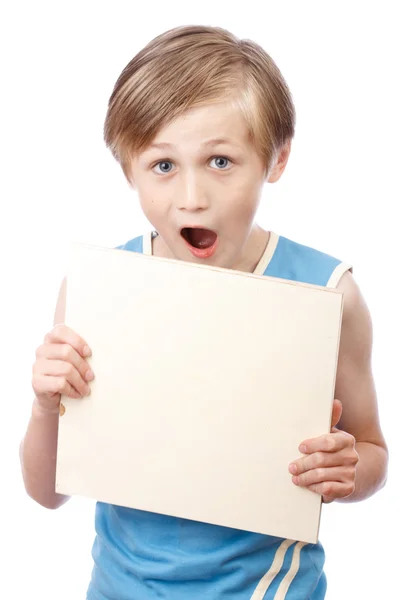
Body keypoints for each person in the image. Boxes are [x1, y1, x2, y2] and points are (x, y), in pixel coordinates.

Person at [20, 24, 388, 600]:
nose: (192, 197)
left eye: (220, 161)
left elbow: (371, 451)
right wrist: (45, 405)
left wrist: (348, 469)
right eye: (163, 165)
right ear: (128, 170)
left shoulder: (328, 294)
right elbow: (47, 492)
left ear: (276, 159)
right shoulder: (100, 291)